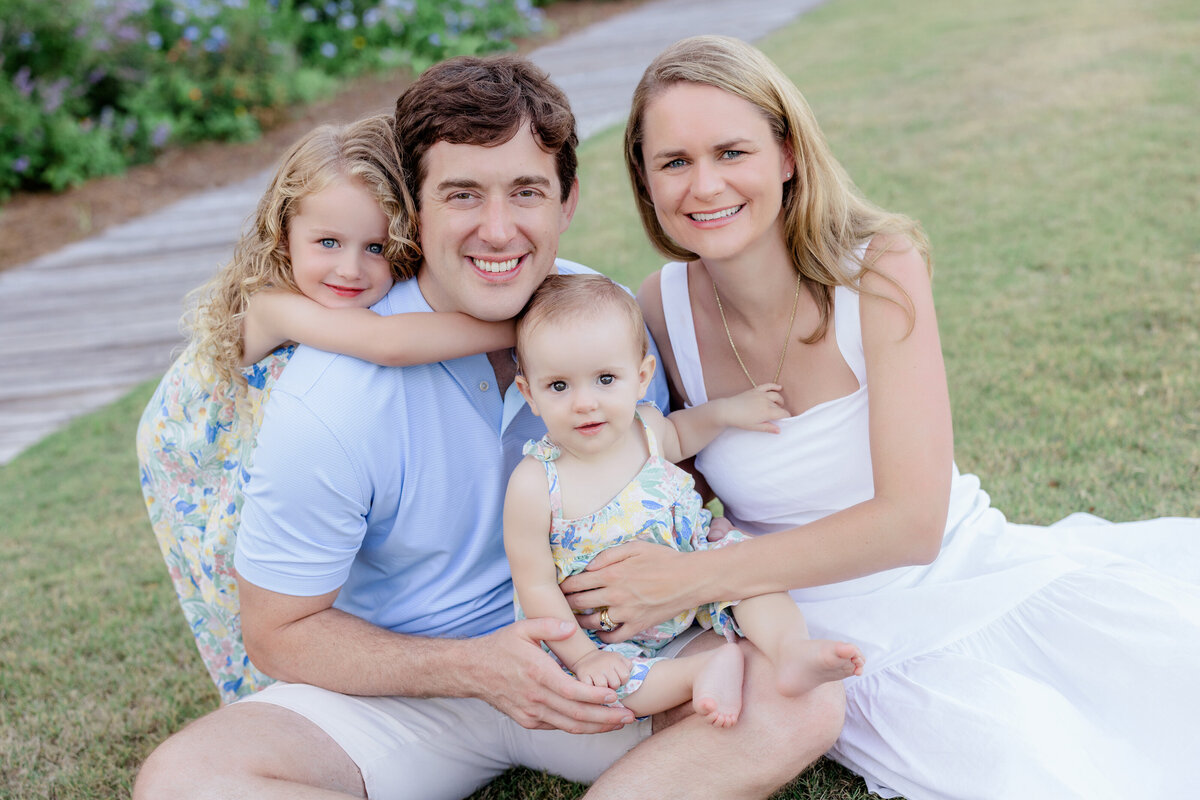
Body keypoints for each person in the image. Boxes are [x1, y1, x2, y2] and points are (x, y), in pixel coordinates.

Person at [133, 54, 845, 800]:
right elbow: (276, 631)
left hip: (608, 657)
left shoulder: (601, 326)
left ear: (567, 199)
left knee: (799, 699)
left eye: (527, 192)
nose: (498, 230)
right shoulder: (329, 397)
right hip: (411, 689)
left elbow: (669, 475)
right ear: (414, 206)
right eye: (463, 194)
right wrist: (471, 667)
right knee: (185, 780)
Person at [556, 33, 1200, 799]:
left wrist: (691, 579)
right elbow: (672, 483)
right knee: (1020, 767)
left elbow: (912, 524)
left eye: (732, 152)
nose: (704, 185)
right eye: (674, 162)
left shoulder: (879, 267)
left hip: (959, 571)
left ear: (788, 153)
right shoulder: (660, 306)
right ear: (645, 180)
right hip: (819, 632)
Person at [136, 114, 516, 705]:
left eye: (376, 248)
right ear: (284, 231)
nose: (350, 269)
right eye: (328, 243)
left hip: (249, 433)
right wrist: (521, 321)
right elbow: (389, 345)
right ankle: (263, 689)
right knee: (241, 574)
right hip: (197, 452)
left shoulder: (358, 292)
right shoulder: (273, 306)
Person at [505, 273, 864, 728]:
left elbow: (684, 431)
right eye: (559, 386)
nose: (584, 403)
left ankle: (790, 650)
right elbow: (534, 587)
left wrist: (730, 412)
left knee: (749, 569)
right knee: (600, 694)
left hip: (693, 581)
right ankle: (696, 674)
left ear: (641, 378)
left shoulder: (646, 428)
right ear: (528, 393)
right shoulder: (536, 482)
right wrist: (581, 657)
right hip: (603, 636)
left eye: (605, 379)